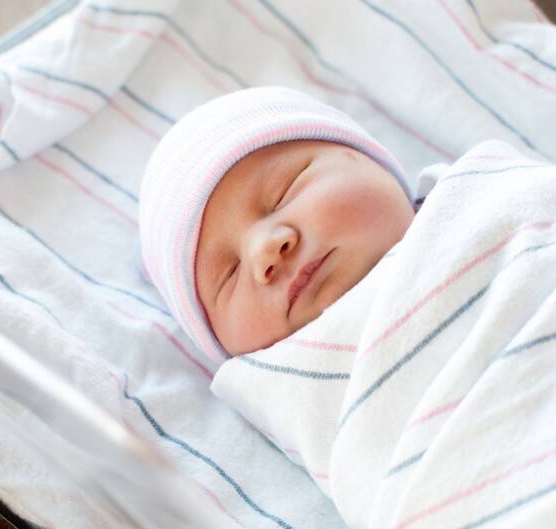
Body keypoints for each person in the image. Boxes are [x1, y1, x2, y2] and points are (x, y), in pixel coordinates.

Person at [139, 87, 418, 363]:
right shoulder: (269, 394)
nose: (264, 248)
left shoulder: (459, 196)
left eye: (284, 192)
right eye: (230, 274)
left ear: (370, 159)